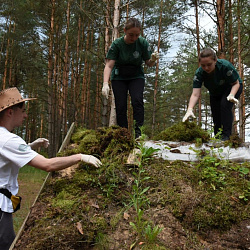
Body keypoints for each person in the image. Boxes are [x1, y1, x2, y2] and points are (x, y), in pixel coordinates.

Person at [0, 87, 102, 249]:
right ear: (10, 112)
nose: (26, 115)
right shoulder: (8, 139)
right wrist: (80, 157)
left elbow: (6, 154)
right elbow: (48, 165)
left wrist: (31, 145)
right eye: (23, 111)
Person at [102, 17, 159, 138]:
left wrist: (153, 59)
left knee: (137, 101)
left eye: (137, 35)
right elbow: (109, 65)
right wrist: (105, 83)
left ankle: (139, 134)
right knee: (121, 105)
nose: (134, 38)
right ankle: (124, 134)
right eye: (131, 35)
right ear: (124, 31)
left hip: (136, 76)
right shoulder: (117, 44)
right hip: (119, 77)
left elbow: (148, 63)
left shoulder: (142, 43)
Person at [182, 48, 243, 141]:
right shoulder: (199, 73)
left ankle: (227, 137)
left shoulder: (225, 66)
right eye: (203, 65)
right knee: (216, 113)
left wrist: (231, 95)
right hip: (215, 92)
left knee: (224, 105)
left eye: (209, 64)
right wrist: (189, 109)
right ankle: (218, 137)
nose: (206, 68)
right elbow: (195, 94)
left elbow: (236, 83)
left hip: (232, 87)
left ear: (215, 60)